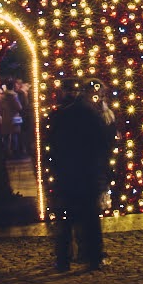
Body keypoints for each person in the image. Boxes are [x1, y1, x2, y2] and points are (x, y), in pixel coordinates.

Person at [46, 79, 112, 271]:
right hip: (87, 174)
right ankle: (94, 257)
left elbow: (52, 146)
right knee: (90, 218)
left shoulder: (60, 116)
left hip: (67, 175)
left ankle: (63, 259)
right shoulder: (92, 116)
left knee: (65, 219)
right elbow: (102, 146)